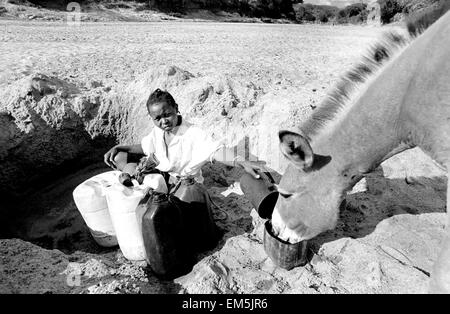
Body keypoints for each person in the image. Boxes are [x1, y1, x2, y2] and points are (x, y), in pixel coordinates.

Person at [103, 88, 266, 252]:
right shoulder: (158, 132)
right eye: (157, 118)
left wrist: (241, 162)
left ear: (176, 108)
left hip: (185, 187)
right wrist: (121, 146)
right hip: (163, 178)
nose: (164, 121)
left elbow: (216, 150)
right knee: (121, 158)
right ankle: (130, 182)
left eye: (167, 114)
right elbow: (145, 146)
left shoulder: (192, 134)